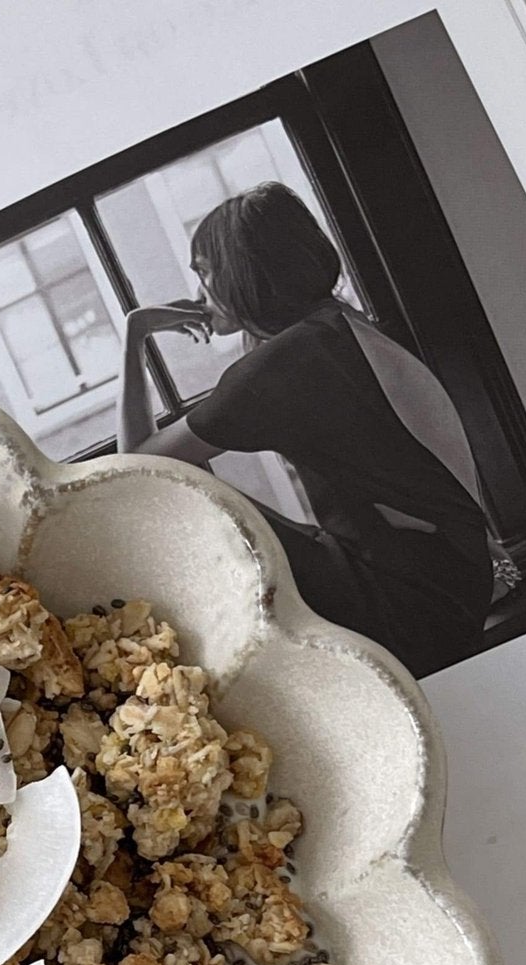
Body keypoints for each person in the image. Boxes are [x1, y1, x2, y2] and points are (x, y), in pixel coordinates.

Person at [117, 181, 496, 676]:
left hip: (407, 607)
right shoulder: (341, 325)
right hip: (454, 586)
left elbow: (137, 462)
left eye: (206, 275)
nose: (198, 295)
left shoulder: (284, 364)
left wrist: (135, 337)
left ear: (242, 272)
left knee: (184, 489)